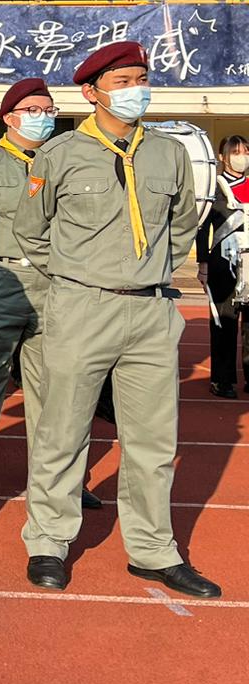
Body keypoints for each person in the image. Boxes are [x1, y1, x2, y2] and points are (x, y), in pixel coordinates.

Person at [16, 41, 221, 598]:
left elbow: (181, 226)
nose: (137, 90)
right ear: (92, 92)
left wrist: (149, 273)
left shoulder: (168, 153)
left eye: (142, 79)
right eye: (124, 81)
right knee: (63, 430)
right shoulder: (59, 154)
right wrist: (77, 276)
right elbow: (31, 231)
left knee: (154, 440)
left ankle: (153, 550)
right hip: (82, 306)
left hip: (151, 309)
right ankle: (48, 541)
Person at [0, 79, 104, 509]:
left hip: (55, 283)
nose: (43, 118)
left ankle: (60, 479)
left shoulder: (64, 161)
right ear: (9, 118)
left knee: (56, 386)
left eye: (49, 110)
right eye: (33, 110)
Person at [198, 134, 249, 399]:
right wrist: (203, 264)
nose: (242, 157)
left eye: (246, 152)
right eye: (236, 152)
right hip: (223, 263)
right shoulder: (213, 187)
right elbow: (202, 228)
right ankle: (222, 379)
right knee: (224, 322)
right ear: (222, 157)